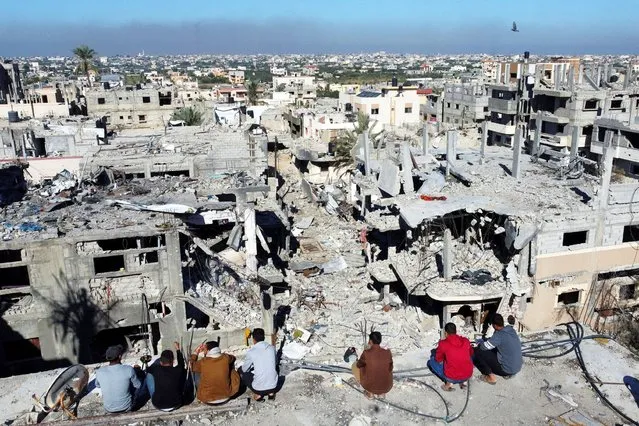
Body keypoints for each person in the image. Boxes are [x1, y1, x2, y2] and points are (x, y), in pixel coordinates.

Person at [474, 313, 523, 384]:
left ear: (494, 325)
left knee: (478, 351)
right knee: (494, 349)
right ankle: (509, 373)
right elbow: (500, 340)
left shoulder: (499, 336)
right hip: (517, 367)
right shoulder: (510, 330)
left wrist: (479, 344)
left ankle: (491, 377)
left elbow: (483, 347)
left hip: (506, 370)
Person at [94, 345, 143, 413]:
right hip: (126, 408)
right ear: (120, 356)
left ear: (107, 357)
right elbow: (138, 385)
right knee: (140, 380)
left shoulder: (99, 371)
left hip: (108, 409)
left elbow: (98, 385)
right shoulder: (128, 369)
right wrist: (137, 372)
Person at [427, 323, 473, 391]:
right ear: (455, 331)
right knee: (466, 357)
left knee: (431, 361)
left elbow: (438, 359)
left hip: (452, 377)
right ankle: (463, 382)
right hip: (468, 374)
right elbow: (471, 353)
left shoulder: (443, 344)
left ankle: (448, 384)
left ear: (445, 333)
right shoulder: (465, 340)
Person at [352, 331, 393, 398]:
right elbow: (391, 367)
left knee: (354, 365)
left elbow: (358, 365)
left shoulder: (366, 353)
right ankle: (381, 393)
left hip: (370, 387)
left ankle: (369, 392)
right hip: (387, 387)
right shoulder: (388, 352)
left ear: (370, 341)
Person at [146, 342, 185, 411]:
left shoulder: (156, 369)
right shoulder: (178, 370)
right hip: (176, 404)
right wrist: (178, 349)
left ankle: (152, 395)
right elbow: (181, 363)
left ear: (161, 362)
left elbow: (147, 370)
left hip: (158, 404)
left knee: (149, 376)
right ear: (173, 361)